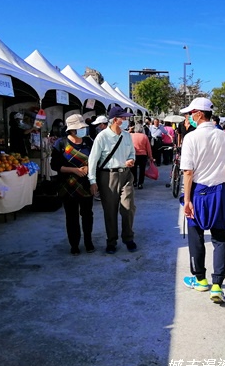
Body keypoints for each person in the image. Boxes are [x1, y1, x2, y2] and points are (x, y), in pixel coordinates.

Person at [179, 97, 225, 304]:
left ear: (199, 114)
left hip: (198, 191)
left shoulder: (191, 138)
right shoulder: (224, 136)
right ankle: (217, 285)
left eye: (191, 113)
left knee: (196, 236)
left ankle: (201, 279)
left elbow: (188, 172)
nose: (189, 117)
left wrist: (186, 200)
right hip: (219, 190)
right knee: (220, 237)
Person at [87, 107, 137, 254]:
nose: (127, 121)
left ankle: (128, 238)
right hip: (108, 176)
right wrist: (92, 180)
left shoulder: (127, 136)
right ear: (116, 120)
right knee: (110, 211)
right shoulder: (102, 137)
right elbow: (93, 159)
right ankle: (111, 241)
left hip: (126, 175)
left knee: (128, 208)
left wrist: (131, 160)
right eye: (124, 118)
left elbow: (132, 153)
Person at [50, 114, 95, 255]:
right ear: (71, 130)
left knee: (87, 215)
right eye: (79, 128)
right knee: (71, 217)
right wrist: (73, 170)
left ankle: (88, 241)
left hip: (86, 185)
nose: (82, 130)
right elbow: (54, 165)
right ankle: (74, 244)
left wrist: (89, 169)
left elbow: (96, 160)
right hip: (67, 187)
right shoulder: (61, 144)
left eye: (83, 127)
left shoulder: (89, 142)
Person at [129, 123, 153, 189]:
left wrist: (130, 130)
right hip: (143, 155)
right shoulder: (144, 136)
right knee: (142, 170)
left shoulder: (131, 135)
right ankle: (140, 183)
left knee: (133, 169)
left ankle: (134, 182)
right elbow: (148, 148)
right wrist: (150, 156)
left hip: (134, 155)